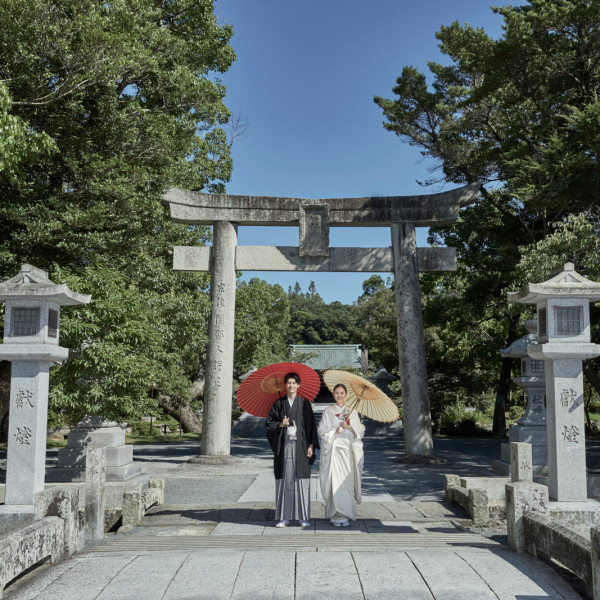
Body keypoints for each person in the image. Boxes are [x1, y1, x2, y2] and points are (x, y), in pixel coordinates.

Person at [265, 372, 319, 528]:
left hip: (301, 447)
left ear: (298, 385)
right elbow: (269, 425)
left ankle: (303, 517)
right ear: (285, 385)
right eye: (288, 383)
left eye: (294, 383)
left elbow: (311, 427)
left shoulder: (305, 403)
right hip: (285, 446)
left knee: (302, 481)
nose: (291, 386)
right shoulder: (278, 404)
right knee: (285, 480)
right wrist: (281, 424)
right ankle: (284, 517)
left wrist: (311, 446)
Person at [318, 383, 365, 526]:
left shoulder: (352, 410)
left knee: (346, 482)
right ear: (333, 394)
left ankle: (346, 512)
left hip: (347, 452)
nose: (339, 395)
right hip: (333, 452)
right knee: (335, 482)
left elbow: (360, 430)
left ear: (346, 395)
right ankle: (335, 514)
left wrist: (349, 427)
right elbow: (321, 429)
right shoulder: (328, 411)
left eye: (342, 393)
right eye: (336, 393)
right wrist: (334, 430)